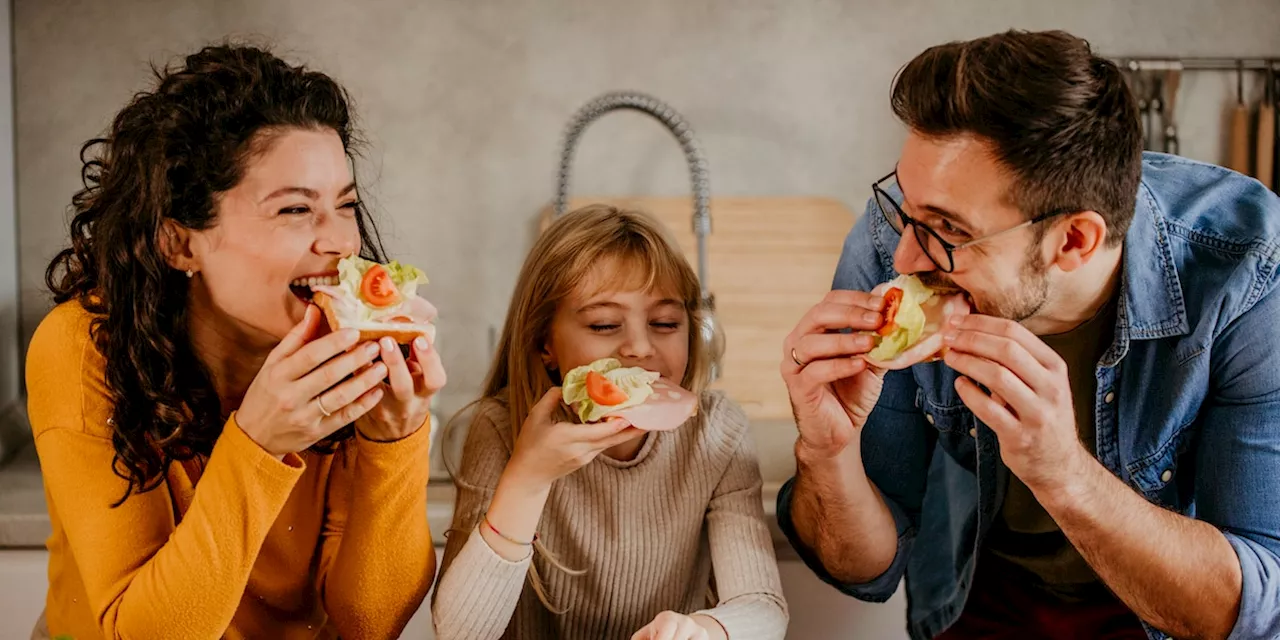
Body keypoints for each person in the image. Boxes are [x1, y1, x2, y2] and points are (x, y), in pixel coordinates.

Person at [776, 29, 1280, 640]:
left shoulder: (1248, 273)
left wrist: (1063, 472)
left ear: (1073, 241)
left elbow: (1249, 610)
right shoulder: (893, 242)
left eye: (947, 229)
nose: (905, 258)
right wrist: (827, 452)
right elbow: (864, 570)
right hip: (976, 599)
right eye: (907, 208)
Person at [26, 44, 445, 640]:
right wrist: (260, 443)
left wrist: (395, 439)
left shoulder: (353, 350)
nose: (341, 243)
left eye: (345, 204)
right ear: (179, 243)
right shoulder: (84, 345)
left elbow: (370, 621)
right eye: (296, 209)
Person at [430, 205, 788, 640]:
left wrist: (703, 631)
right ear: (545, 343)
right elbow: (459, 634)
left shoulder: (717, 432)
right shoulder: (501, 428)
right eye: (603, 325)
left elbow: (763, 606)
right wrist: (527, 477)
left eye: (664, 322)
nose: (638, 346)